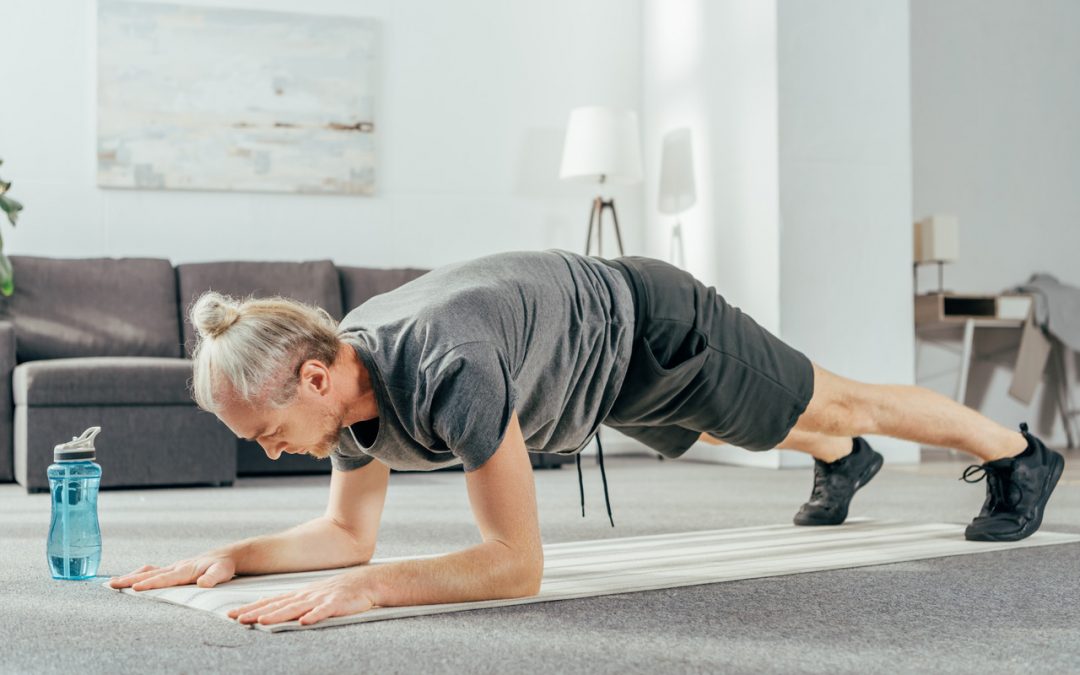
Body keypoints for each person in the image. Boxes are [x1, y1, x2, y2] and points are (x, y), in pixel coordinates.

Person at [108, 249, 1065, 627]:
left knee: (838, 401)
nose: (271, 452)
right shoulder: (347, 393)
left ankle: (1021, 456)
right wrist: (233, 555)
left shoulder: (446, 371)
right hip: (595, 370)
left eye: (270, 432)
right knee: (788, 426)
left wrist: (367, 590)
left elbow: (513, 563)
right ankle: (836, 463)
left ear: (315, 376)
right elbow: (344, 535)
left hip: (656, 326)